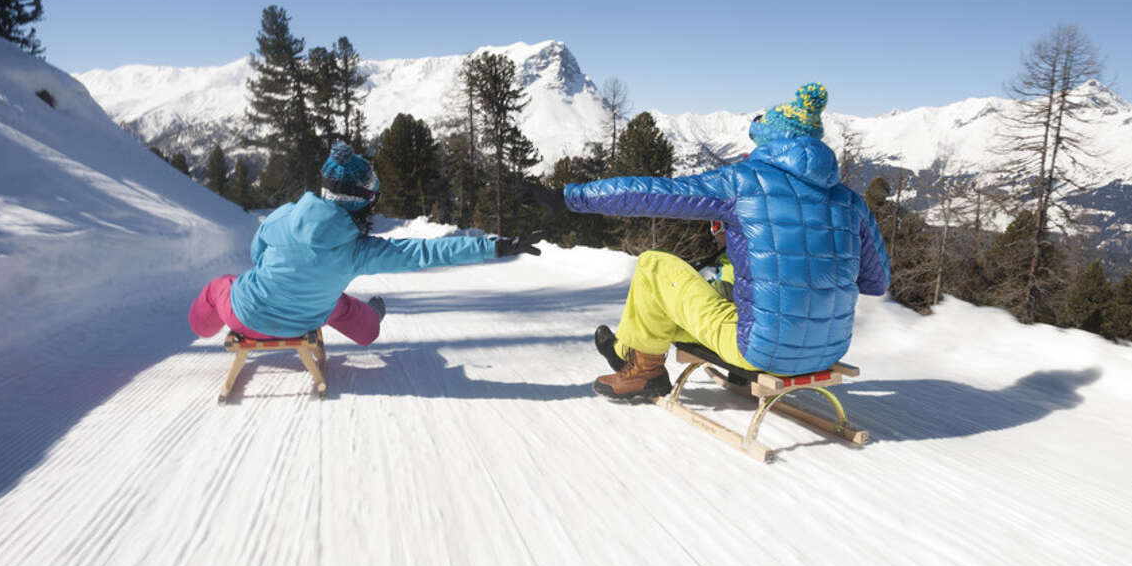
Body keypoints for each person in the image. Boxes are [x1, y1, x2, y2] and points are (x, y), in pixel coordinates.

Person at [529, 83, 889, 401]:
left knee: (655, 265)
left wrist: (570, 198)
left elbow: (652, 193)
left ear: (769, 139)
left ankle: (644, 371)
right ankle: (626, 348)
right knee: (720, 288)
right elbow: (876, 282)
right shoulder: (851, 201)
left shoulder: (743, 182)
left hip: (759, 350)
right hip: (828, 349)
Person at [189, 142, 540, 345]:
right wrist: (494, 246)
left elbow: (256, 255)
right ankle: (372, 316)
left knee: (218, 287)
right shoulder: (358, 251)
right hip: (306, 322)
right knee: (340, 305)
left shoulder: (282, 216)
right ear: (362, 200)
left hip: (245, 313)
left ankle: (202, 329)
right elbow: (425, 253)